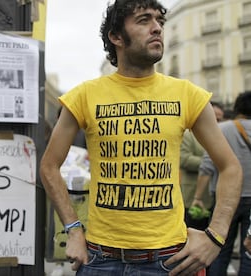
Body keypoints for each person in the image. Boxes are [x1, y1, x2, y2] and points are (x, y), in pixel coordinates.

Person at [39, 1, 243, 275]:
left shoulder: (188, 95)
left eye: (159, 21)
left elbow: (230, 166)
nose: (157, 28)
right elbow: (49, 166)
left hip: (168, 261)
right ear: (116, 37)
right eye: (144, 20)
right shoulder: (83, 96)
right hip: (100, 260)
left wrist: (216, 235)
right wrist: (74, 230)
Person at [194, 92, 251, 275]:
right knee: (248, 252)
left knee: (219, 248)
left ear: (236, 108)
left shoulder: (224, 129)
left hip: (227, 198)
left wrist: (197, 197)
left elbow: (207, 165)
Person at [180, 102, 224, 230]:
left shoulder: (222, 136)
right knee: (192, 230)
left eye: (220, 119)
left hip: (215, 194)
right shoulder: (188, 136)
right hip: (193, 194)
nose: (217, 122)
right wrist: (212, 161)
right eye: (214, 118)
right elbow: (184, 159)